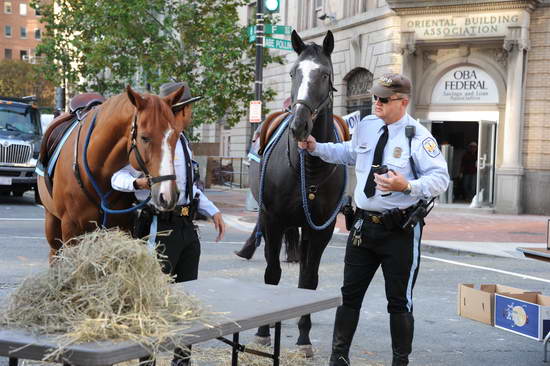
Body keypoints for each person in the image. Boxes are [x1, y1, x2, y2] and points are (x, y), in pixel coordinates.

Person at [298, 73, 449, 366]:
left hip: (399, 231)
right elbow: (348, 153)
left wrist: (407, 186)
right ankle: (338, 358)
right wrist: (317, 147)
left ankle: (399, 361)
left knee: (399, 302)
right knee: (349, 296)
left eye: (383, 99)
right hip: (363, 227)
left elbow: (440, 178)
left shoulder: (417, 136)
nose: (376, 103)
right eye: (374, 97)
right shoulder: (367, 126)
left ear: (403, 102)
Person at [111, 81, 225, 366]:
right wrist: (135, 182)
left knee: (187, 300)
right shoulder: (152, 139)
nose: (191, 114)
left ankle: (181, 360)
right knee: (151, 299)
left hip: (187, 228)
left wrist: (214, 212)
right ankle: (146, 361)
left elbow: (190, 188)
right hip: (158, 228)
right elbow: (116, 176)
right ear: (181, 110)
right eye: (189, 109)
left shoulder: (181, 140)